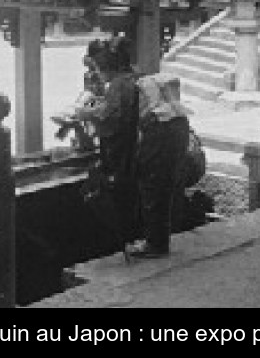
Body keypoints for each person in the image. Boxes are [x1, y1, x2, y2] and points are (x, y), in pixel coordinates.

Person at [74, 36, 140, 244]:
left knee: (120, 193)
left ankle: (123, 238)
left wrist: (86, 114)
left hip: (126, 152)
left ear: (106, 68)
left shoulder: (119, 85)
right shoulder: (133, 78)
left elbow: (110, 119)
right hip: (140, 147)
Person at [129, 73, 192, 259]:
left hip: (158, 156)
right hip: (173, 156)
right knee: (165, 195)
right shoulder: (178, 116)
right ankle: (158, 241)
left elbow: (148, 155)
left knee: (154, 195)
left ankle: (155, 244)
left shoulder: (156, 119)